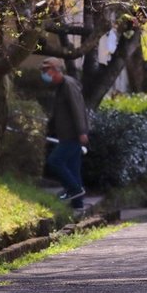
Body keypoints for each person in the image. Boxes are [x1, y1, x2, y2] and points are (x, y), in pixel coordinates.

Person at [42, 56, 88, 208]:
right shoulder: (61, 86)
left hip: (72, 135)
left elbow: (77, 109)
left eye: (46, 70)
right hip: (67, 135)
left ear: (55, 70)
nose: (44, 74)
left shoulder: (68, 85)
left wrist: (82, 132)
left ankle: (74, 189)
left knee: (54, 161)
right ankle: (78, 203)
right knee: (74, 168)